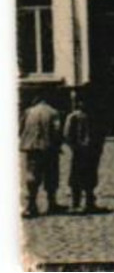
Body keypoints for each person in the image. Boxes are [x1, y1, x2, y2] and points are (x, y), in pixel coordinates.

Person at [20, 90, 63, 218]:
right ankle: (52, 203)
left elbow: (21, 128)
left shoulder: (28, 112)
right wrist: (58, 145)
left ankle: (31, 204)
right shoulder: (53, 112)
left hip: (31, 148)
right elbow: (57, 130)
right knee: (51, 175)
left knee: (32, 175)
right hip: (48, 148)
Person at [63, 88, 106, 215]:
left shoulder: (94, 116)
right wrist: (73, 146)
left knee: (90, 176)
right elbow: (67, 134)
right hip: (79, 151)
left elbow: (100, 134)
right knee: (76, 176)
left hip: (91, 151)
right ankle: (76, 203)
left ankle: (89, 202)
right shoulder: (73, 117)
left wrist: (98, 147)